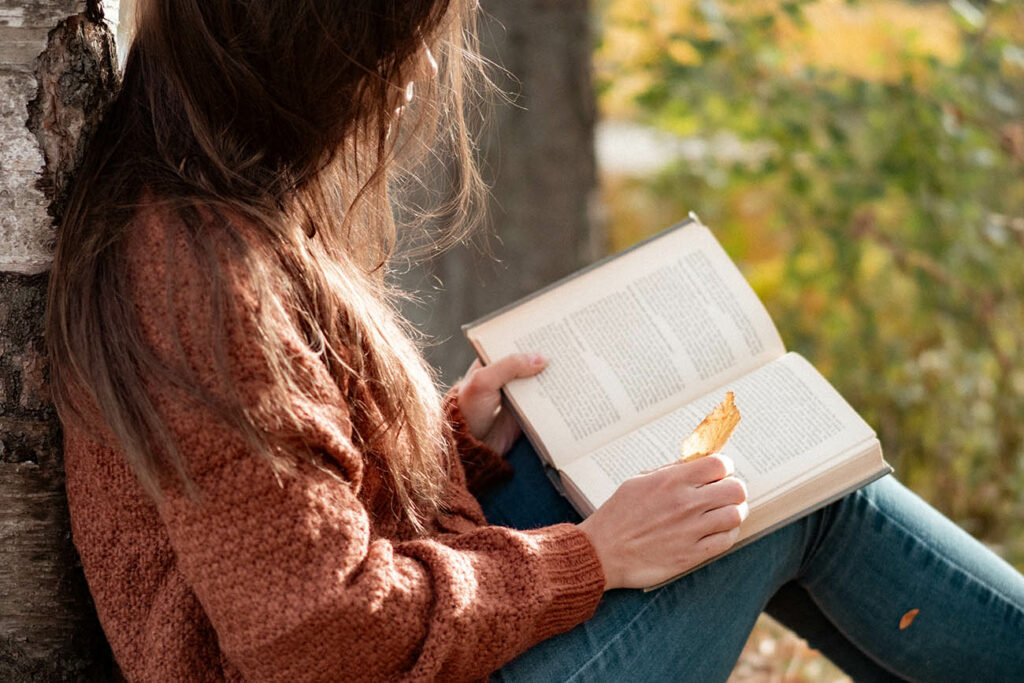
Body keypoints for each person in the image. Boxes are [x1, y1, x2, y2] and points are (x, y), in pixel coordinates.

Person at [46, 1, 1024, 681]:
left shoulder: (192, 206)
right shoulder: (203, 277)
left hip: (416, 643)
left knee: (783, 465)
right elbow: (313, 632)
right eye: (400, 47)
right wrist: (588, 557)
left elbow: (276, 491)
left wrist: (449, 436)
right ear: (308, 57)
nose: (422, 72)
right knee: (773, 492)